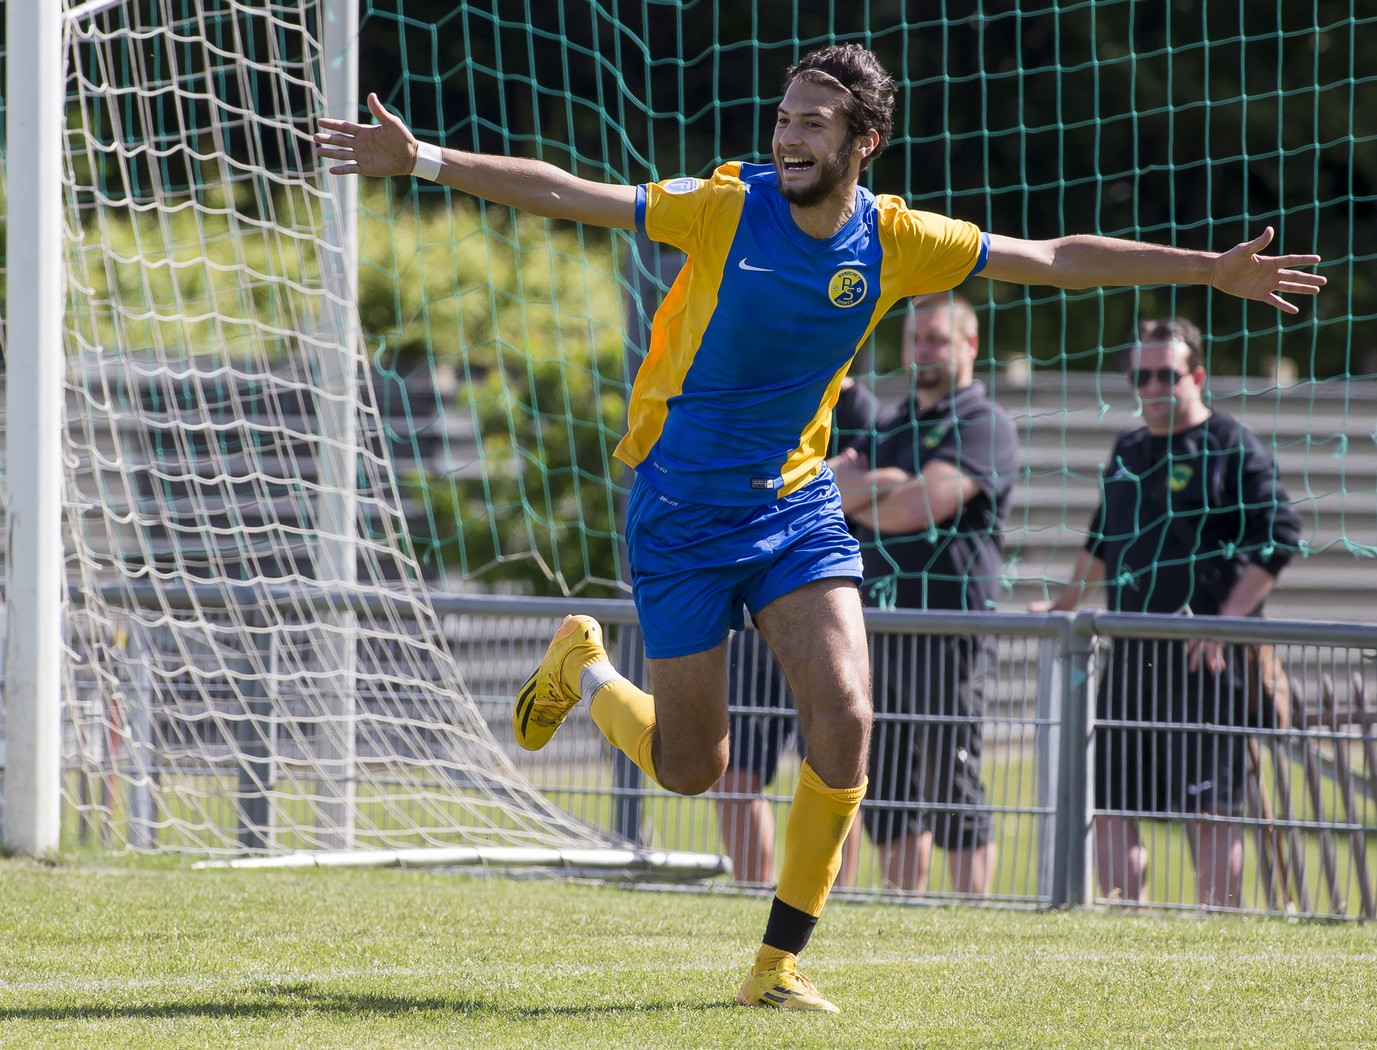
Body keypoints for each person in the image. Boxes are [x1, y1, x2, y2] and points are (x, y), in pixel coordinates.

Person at [317, 44, 1323, 1012]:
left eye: (813, 122)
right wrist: (425, 161)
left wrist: (1206, 270)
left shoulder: (893, 240)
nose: (789, 135)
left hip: (795, 504)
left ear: (864, 142)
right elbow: (568, 194)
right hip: (680, 512)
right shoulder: (723, 209)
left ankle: (773, 965)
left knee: (846, 715)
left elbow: (1055, 257)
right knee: (691, 768)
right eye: (784, 118)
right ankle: (583, 667)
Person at [1028, 317, 1304, 909]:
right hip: (1130, 653)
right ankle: (1128, 922)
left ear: (1196, 376)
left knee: (1210, 807)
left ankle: (1214, 928)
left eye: (1165, 375)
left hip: (1205, 658)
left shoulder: (1233, 446)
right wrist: (1062, 606)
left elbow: (1280, 537)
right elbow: (1100, 539)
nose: (1152, 386)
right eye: (1140, 375)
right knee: (1112, 803)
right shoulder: (1126, 449)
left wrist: (1225, 621)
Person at [829, 292, 1014, 895]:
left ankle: (971, 916)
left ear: (970, 345)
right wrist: (882, 482)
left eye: (936, 338)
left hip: (949, 625)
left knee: (952, 774)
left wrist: (872, 489)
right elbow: (824, 489)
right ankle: (902, 906)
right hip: (878, 623)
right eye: (917, 339)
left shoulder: (984, 424)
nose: (924, 350)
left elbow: (919, 506)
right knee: (885, 781)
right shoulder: (890, 424)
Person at [715, 381, 872, 886]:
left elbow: (875, 483)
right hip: (757, 605)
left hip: (822, 602)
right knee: (735, 771)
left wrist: (807, 483)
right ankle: (751, 891)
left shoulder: (860, 407)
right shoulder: (764, 386)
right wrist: (829, 477)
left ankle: (827, 897)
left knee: (837, 756)